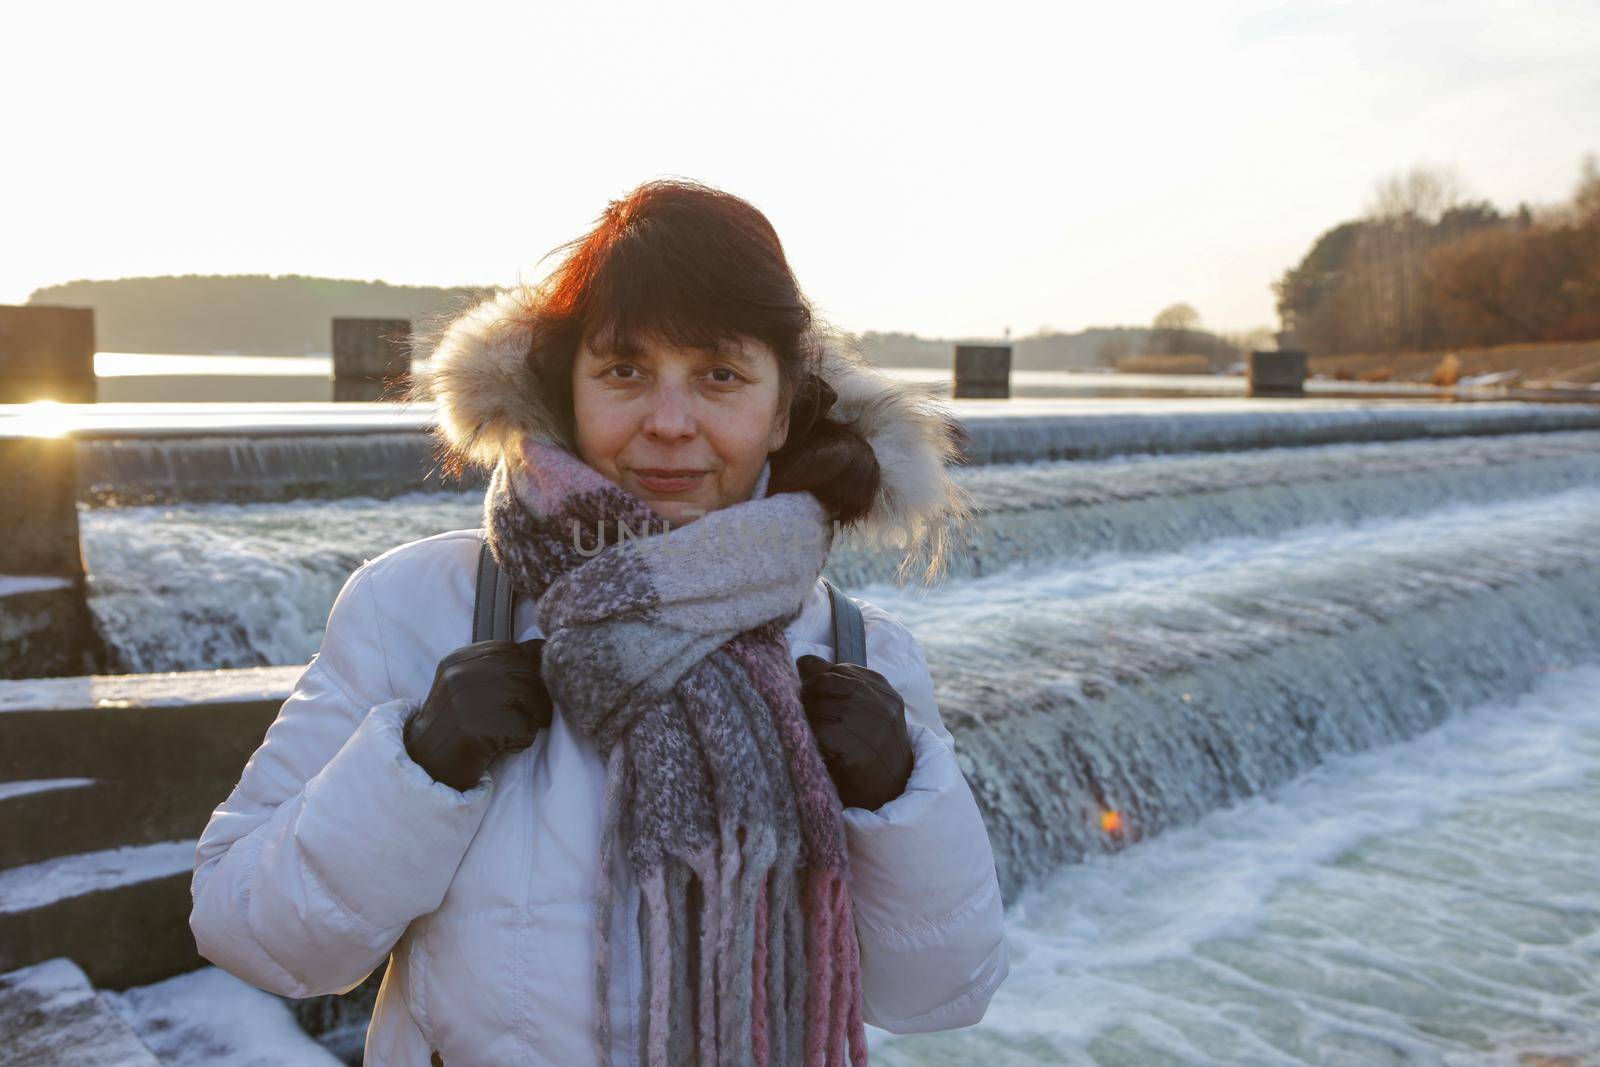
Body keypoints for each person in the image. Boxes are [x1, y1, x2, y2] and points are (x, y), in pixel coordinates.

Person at [188, 178, 1009, 1067]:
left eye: (719, 377)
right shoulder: (422, 606)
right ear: (566, 389)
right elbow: (250, 932)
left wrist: (896, 793)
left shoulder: (859, 651)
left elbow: (942, 995)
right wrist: (418, 765)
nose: (667, 422)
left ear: (780, 412)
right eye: (624, 371)